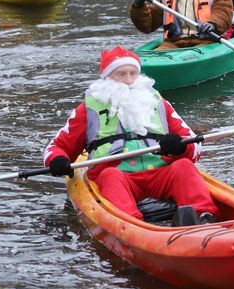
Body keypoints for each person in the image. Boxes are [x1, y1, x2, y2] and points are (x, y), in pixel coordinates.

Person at [43, 46, 220, 226]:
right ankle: (132, 225)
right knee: (110, 176)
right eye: (121, 74)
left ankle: (203, 217)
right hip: (120, 175)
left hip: (159, 172)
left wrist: (181, 146)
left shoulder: (157, 102)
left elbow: (195, 145)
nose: (128, 80)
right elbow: (56, 147)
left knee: (183, 166)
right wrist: (57, 160)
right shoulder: (88, 109)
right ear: (107, 77)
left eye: (133, 73)